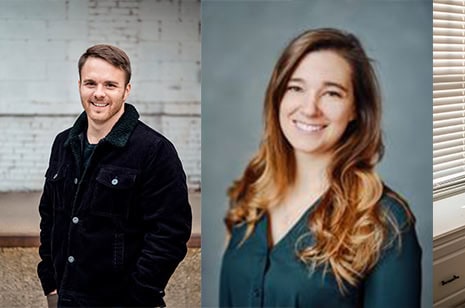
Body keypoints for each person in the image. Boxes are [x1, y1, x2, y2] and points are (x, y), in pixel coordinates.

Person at [218, 28, 421, 307]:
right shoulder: (249, 197)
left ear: (355, 110)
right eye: (296, 88)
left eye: (332, 93)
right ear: (278, 97)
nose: (310, 108)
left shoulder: (385, 221)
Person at [37, 44, 192, 307]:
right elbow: (49, 217)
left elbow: (170, 235)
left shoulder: (154, 150)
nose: (99, 93)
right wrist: (51, 283)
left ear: (126, 90)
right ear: (79, 85)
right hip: (66, 298)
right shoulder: (63, 143)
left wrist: (139, 296)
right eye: (90, 83)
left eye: (110, 85)